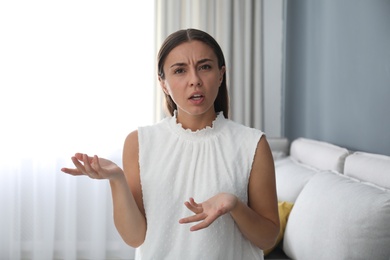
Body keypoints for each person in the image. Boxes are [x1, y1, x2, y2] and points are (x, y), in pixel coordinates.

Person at [61, 28, 279, 259]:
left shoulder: (252, 144)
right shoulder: (139, 142)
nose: (195, 80)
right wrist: (117, 179)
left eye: (205, 67)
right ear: (163, 83)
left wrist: (234, 205)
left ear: (221, 74)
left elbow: (267, 238)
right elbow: (135, 237)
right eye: (180, 71)